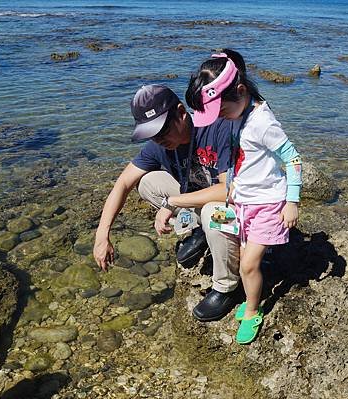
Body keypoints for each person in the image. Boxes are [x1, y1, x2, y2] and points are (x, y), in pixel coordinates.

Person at [93, 84, 242, 322]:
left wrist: (172, 202)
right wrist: (102, 235)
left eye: (162, 131)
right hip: (200, 201)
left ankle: (226, 288)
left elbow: (228, 190)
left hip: (238, 211)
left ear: (182, 112)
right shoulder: (158, 146)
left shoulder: (216, 128)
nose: (159, 140)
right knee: (147, 183)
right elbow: (122, 184)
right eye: (152, 134)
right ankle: (198, 230)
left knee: (213, 213)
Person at [186, 50, 303, 344]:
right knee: (245, 260)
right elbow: (242, 156)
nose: (219, 118)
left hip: (267, 204)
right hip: (244, 202)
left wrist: (292, 201)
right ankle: (251, 294)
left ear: (240, 91)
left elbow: (293, 158)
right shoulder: (240, 112)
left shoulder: (262, 122)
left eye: (220, 111)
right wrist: (233, 184)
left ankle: (252, 311)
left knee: (248, 265)